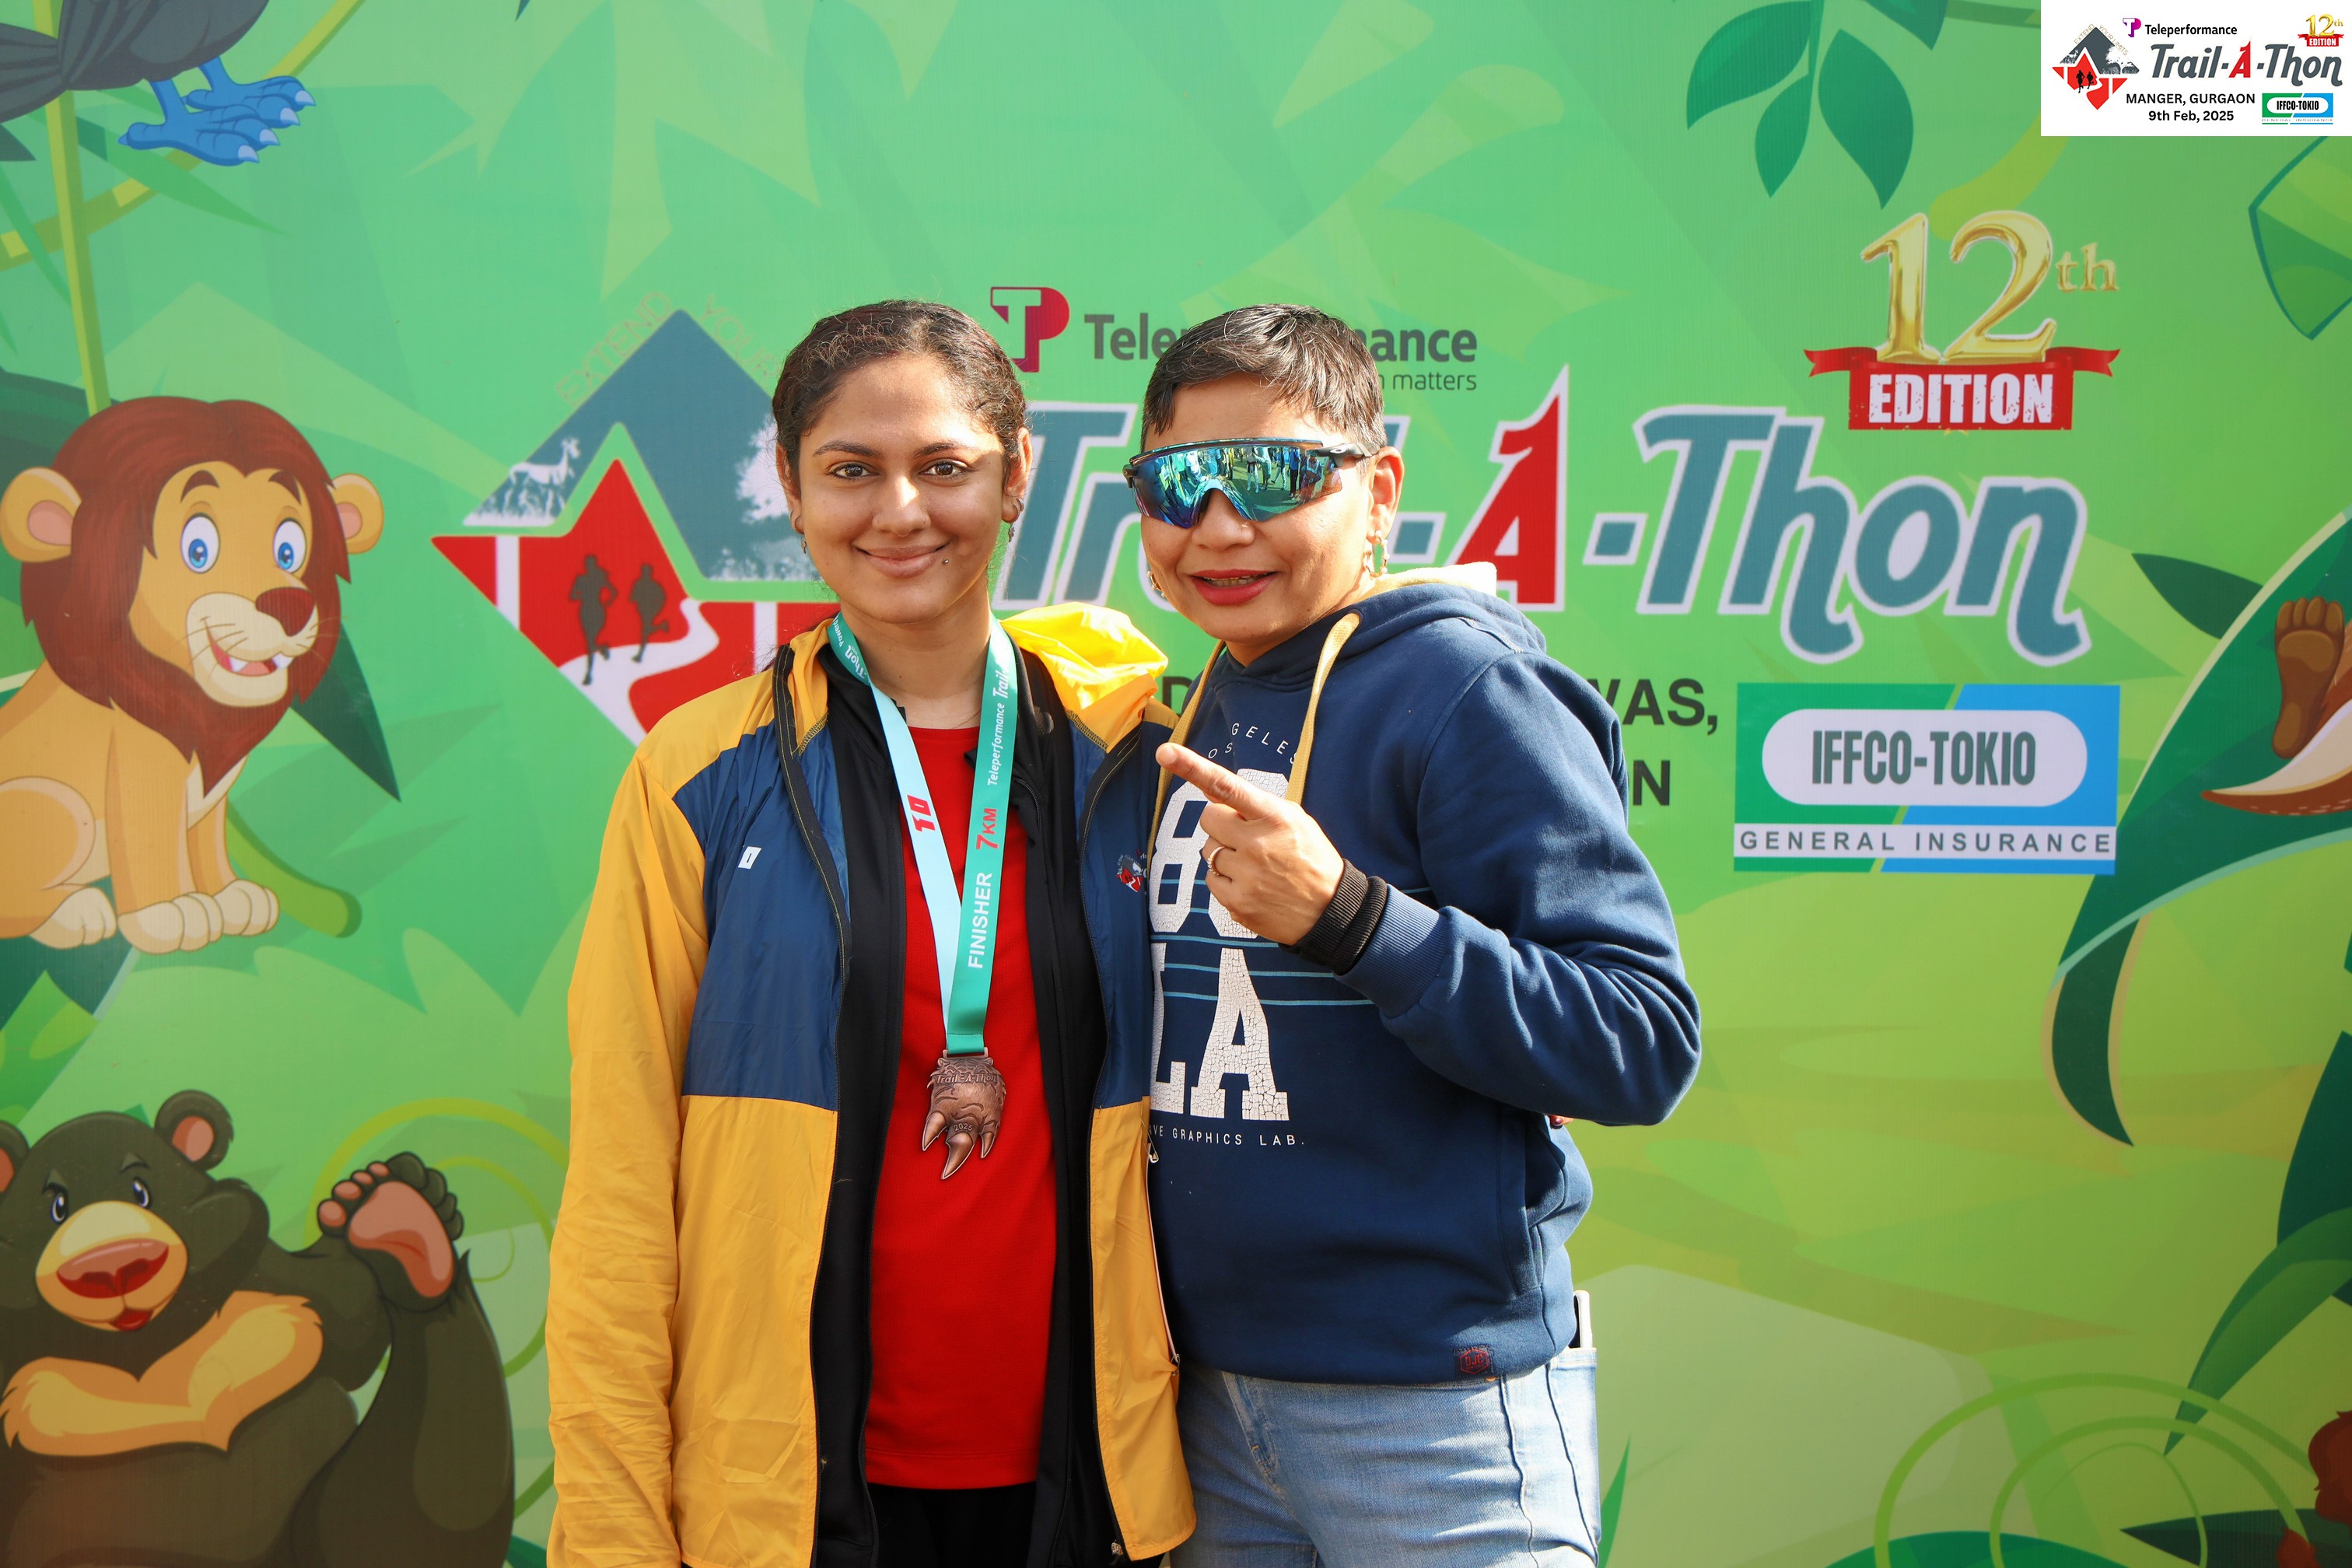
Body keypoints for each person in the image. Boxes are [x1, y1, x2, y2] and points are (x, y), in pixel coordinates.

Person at [548, 301, 1192, 1568]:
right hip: (791, 1492)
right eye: (851, 470)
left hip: (1092, 1482)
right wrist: (616, 1531)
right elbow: (623, 1175)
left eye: (945, 466)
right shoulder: (702, 771)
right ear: (791, 492)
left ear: (1016, 475)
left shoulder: (1137, 762)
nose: (902, 511)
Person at [1128, 304, 1701, 1566]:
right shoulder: (1205, 694)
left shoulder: (1468, 689)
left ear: (1378, 489)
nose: (1218, 525)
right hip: (1198, 1401)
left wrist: (1353, 918)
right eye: (1178, 484)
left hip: (1432, 1408)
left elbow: (1642, 1040)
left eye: (1271, 475)